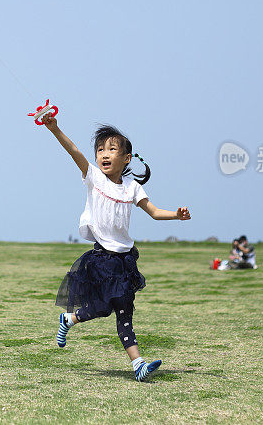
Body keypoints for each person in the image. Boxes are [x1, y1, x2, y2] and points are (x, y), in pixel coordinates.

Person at [43, 114, 191, 382]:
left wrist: (177, 216)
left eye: (112, 149)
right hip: (102, 259)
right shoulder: (94, 178)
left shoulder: (132, 188)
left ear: (127, 158)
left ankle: (137, 365)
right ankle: (72, 322)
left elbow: (155, 212)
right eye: (100, 150)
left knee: (121, 311)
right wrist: (55, 129)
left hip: (125, 261)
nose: (104, 154)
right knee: (103, 307)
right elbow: (73, 150)